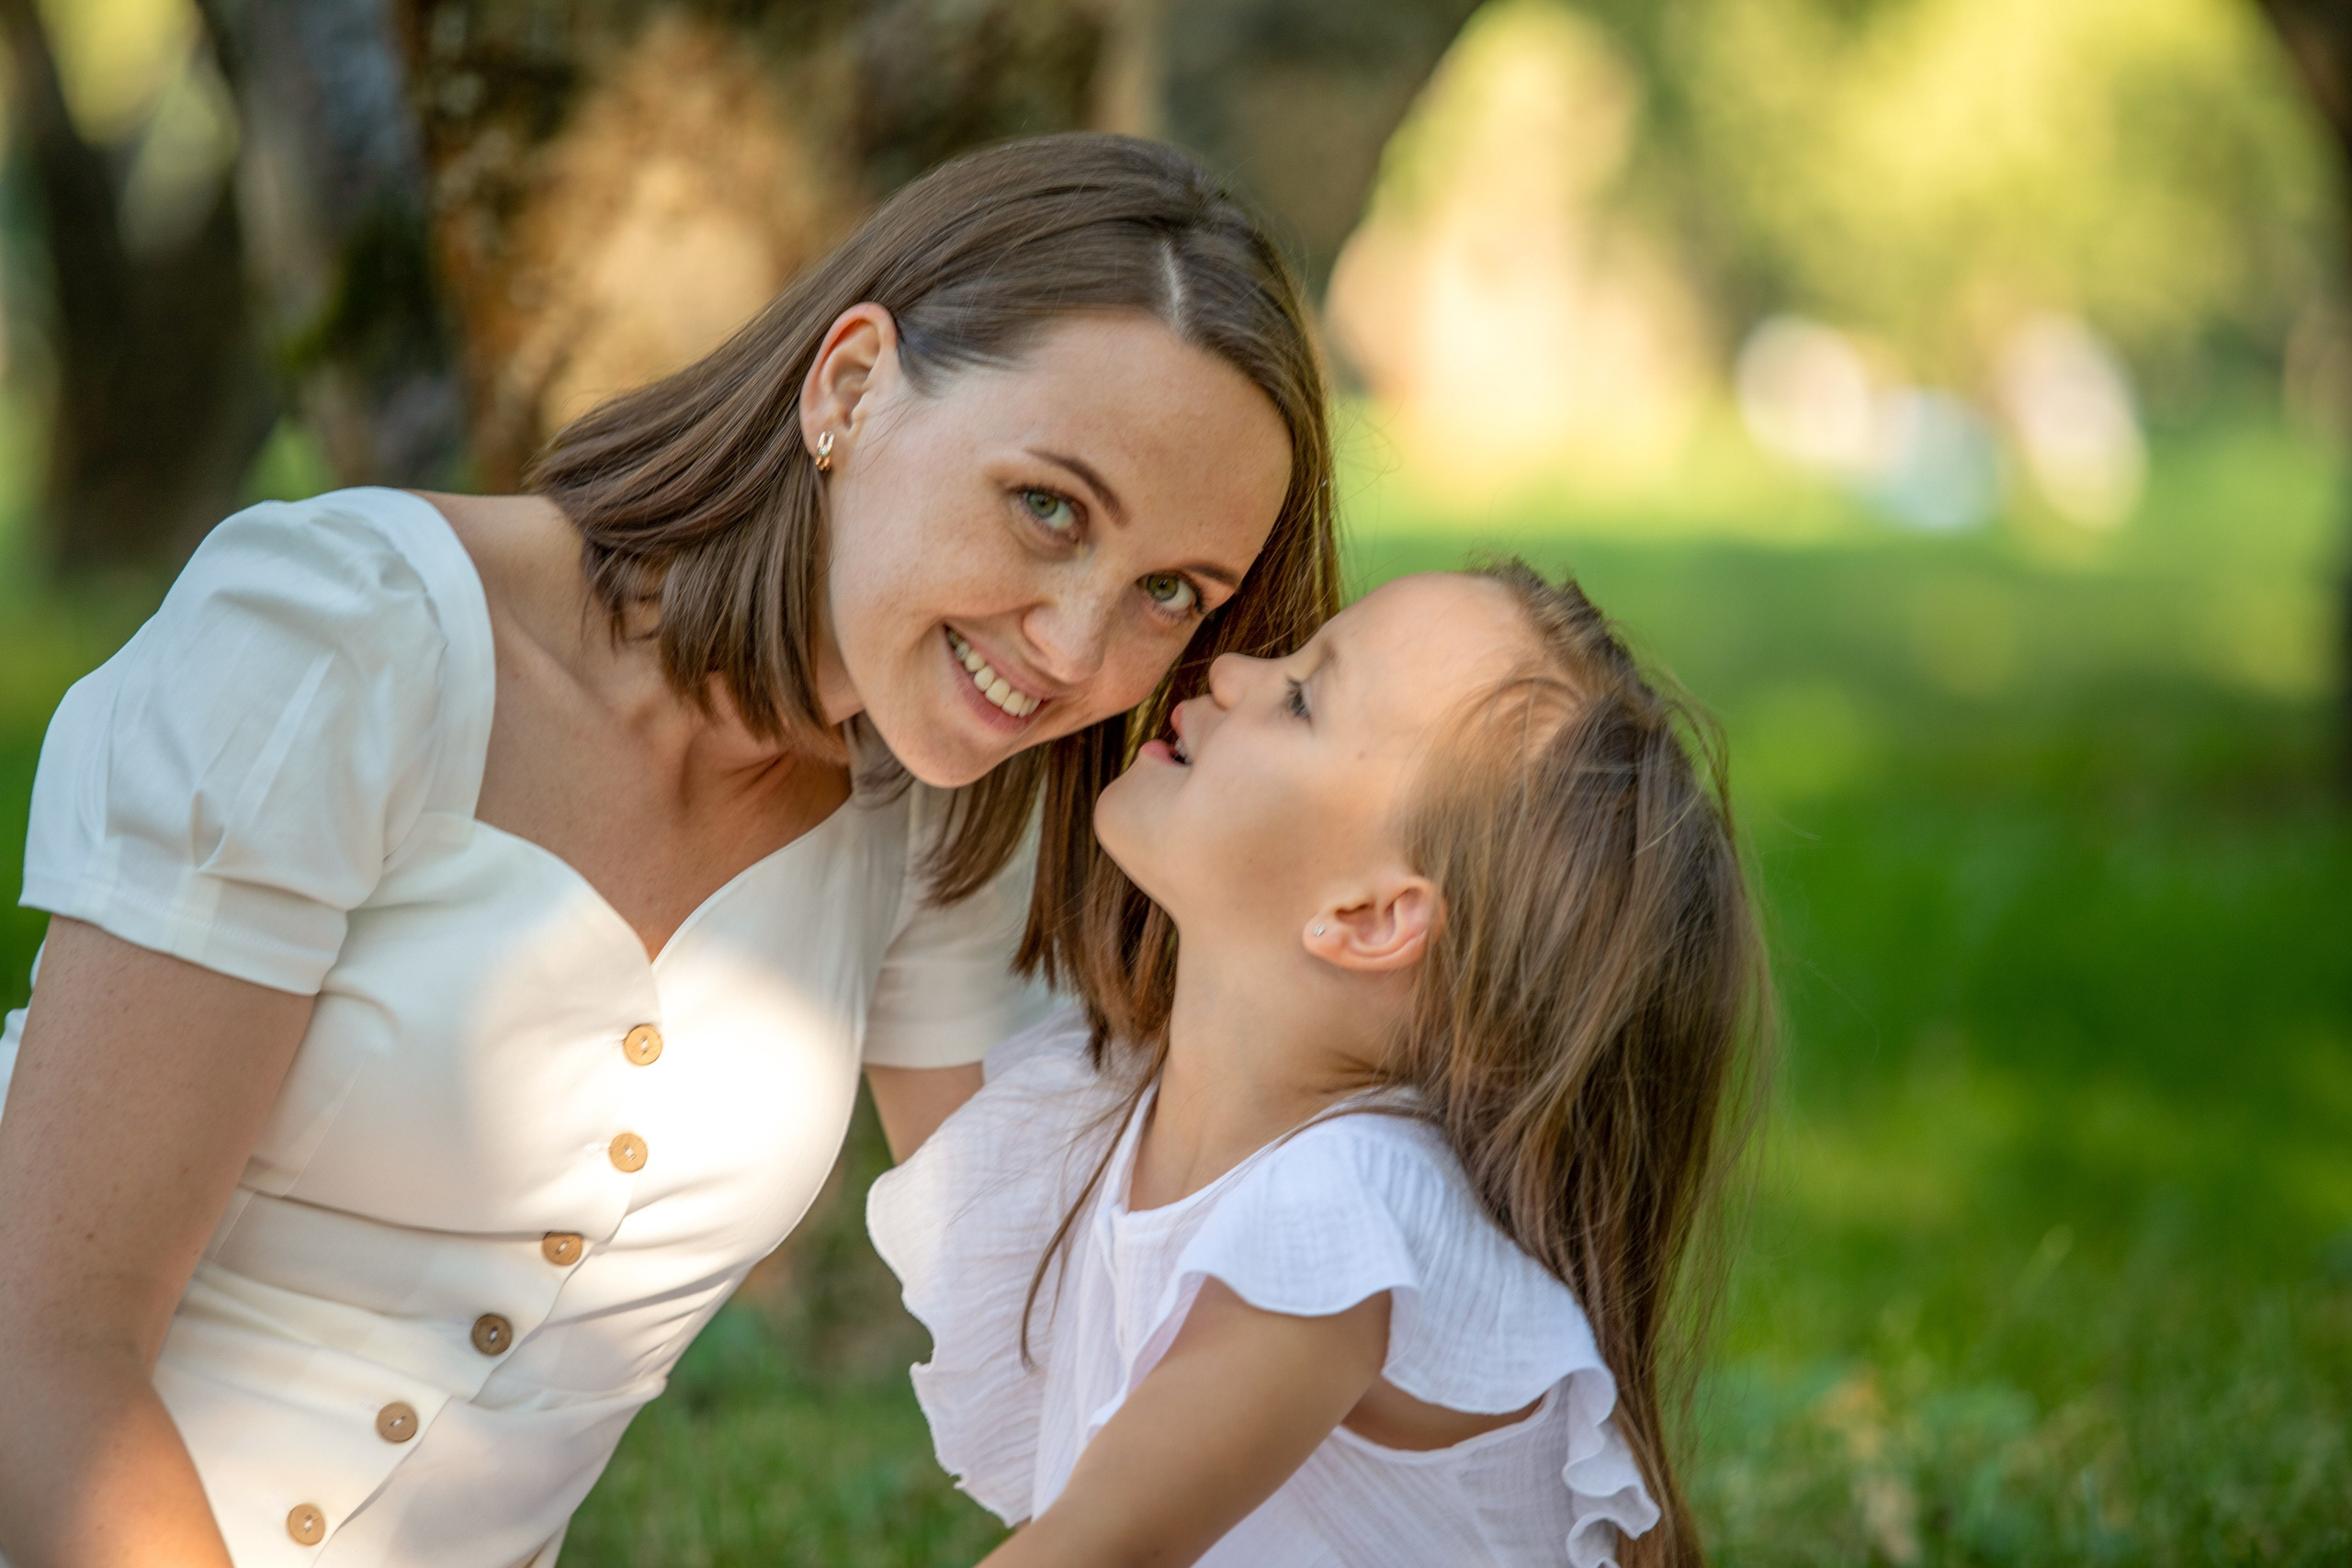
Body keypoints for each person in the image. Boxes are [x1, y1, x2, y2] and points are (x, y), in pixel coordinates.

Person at [0, 133, 1340, 1568]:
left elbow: (1059, 1338)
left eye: (1168, 593)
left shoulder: (932, 811)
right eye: (1047, 507)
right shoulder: (340, 638)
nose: (1079, 648)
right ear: (850, 386)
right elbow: (43, 1347)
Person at [869, 564, 1770, 1568]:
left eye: (1299, 698)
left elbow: (1095, 1545)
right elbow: (918, 1027)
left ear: (1369, 917)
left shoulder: (1346, 1213)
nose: (1230, 669)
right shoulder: (1104, 1117)